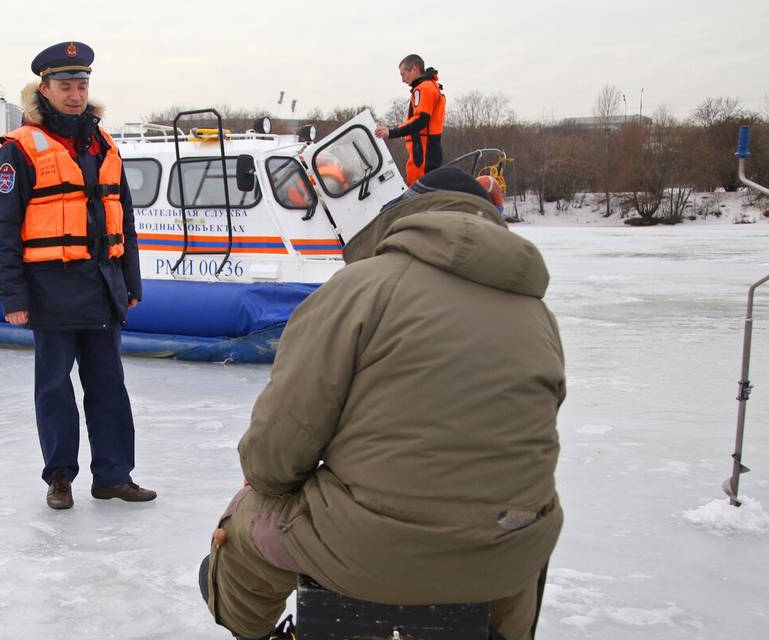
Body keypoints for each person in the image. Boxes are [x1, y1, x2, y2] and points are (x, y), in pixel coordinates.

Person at [199, 167, 565, 640]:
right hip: (504, 553)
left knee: (250, 515)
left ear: (409, 215)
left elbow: (275, 454)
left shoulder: (360, 288)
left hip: (368, 549)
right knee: (527, 529)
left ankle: (248, 627)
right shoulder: (538, 314)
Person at [0, 41, 156, 510]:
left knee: (109, 388)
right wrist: (12, 298)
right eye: (66, 86)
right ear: (45, 88)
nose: (75, 94)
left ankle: (114, 476)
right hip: (50, 293)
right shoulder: (18, 150)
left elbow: (124, 219)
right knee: (55, 391)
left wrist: (131, 284)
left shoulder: (103, 145)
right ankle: (59, 477)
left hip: (103, 290)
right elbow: (1, 232)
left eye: (82, 85)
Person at [376, 54, 446, 185]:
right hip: (430, 149)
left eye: (403, 74)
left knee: (418, 193)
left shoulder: (423, 88)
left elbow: (421, 120)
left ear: (414, 69)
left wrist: (391, 132)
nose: (402, 79)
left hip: (423, 153)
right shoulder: (431, 86)